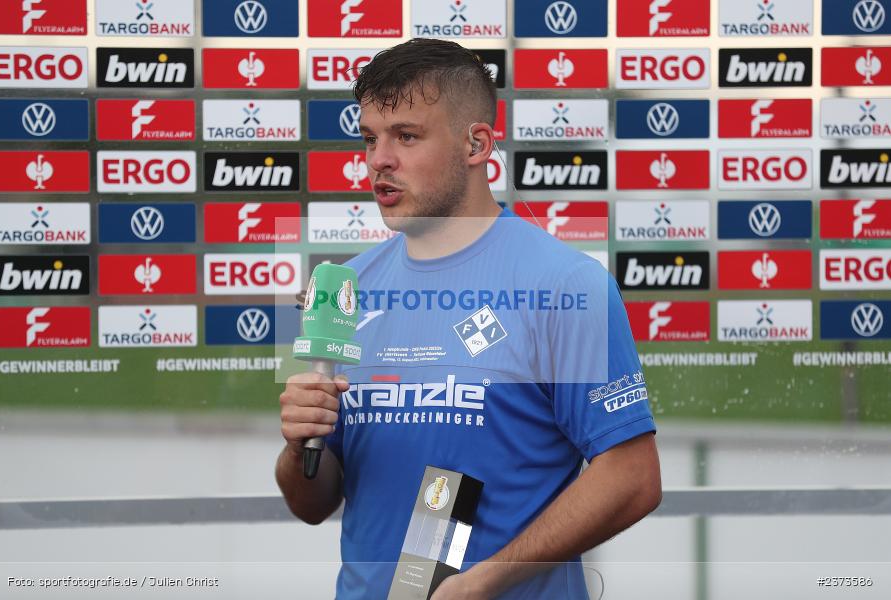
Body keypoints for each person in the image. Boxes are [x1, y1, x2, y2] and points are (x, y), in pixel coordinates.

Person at [275, 38, 661, 600]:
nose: (379, 159)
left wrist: (484, 581)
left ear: (476, 143)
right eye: (369, 138)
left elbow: (632, 478)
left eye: (406, 136)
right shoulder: (341, 290)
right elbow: (313, 501)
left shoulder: (564, 284)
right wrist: (296, 447)